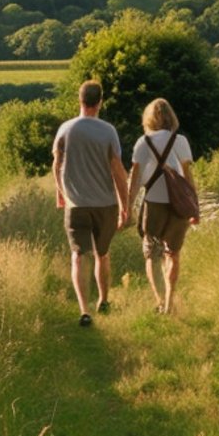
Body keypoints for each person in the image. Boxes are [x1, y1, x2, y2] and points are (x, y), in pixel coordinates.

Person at [53, 81, 130, 327]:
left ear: (80, 99)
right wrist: (125, 205)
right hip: (105, 204)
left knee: (78, 255)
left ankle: (84, 310)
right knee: (102, 254)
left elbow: (56, 165)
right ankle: (104, 300)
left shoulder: (66, 129)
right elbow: (118, 172)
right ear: (100, 102)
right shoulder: (108, 131)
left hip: (76, 204)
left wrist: (62, 193)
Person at [126, 97, 198, 315]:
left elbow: (135, 180)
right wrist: (195, 207)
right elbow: (188, 177)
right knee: (172, 253)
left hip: (153, 203)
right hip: (179, 205)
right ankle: (169, 301)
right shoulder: (181, 141)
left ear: (148, 118)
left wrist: (127, 208)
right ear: (171, 117)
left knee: (151, 252)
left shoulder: (142, 142)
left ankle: (159, 301)